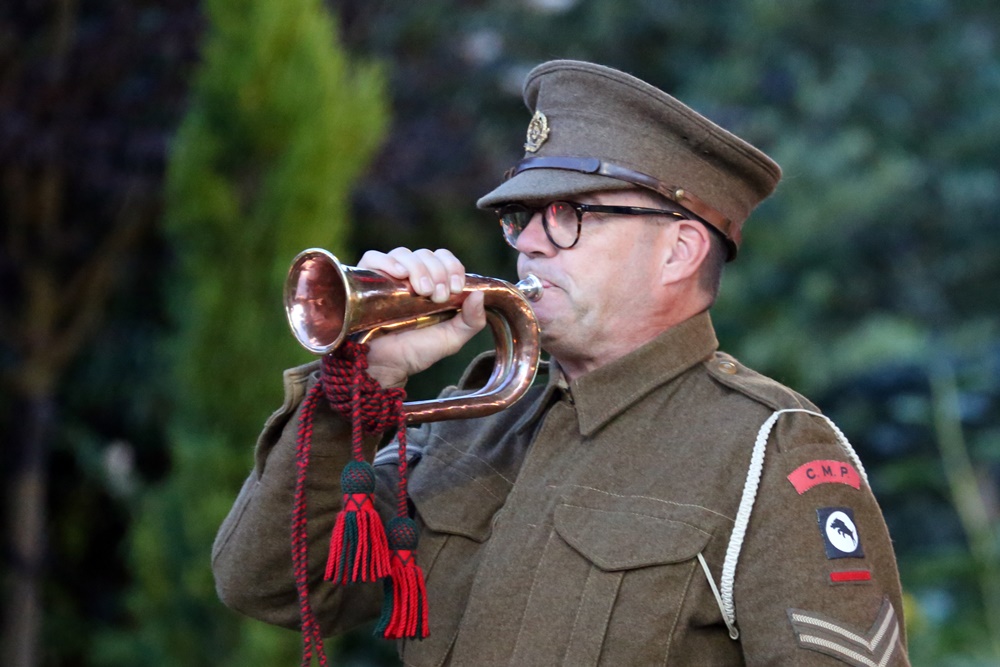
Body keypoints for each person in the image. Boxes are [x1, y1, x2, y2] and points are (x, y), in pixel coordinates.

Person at [213, 60, 910, 666]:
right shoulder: (478, 418)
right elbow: (272, 582)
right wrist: (362, 385)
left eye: (571, 214)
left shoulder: (769, 447)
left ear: (679, 250)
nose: (532, 246)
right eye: (522, 216)